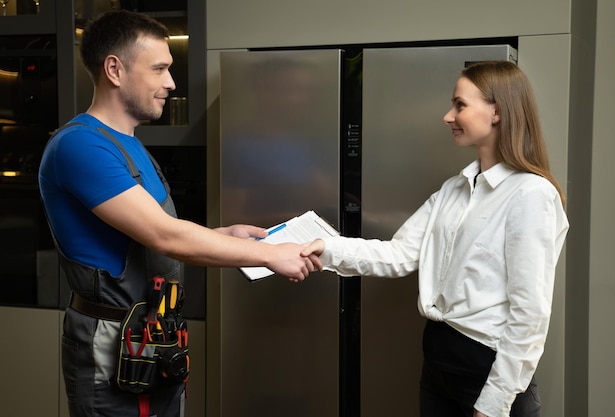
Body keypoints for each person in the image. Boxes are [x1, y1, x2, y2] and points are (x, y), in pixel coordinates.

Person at [38, 9, 317, 417]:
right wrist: (270, 254)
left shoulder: (131, 146)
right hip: (114, 342)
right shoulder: (80, 146)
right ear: (114, 69)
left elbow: (153, 233)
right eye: (160, 69)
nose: (171, 82)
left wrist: (225, 235)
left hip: (158, 336)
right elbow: (164, 236)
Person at [302, 61, 569, 417]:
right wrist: (328, 248)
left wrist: (495, 401)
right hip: (439, 359)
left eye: (460, 105)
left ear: (497, 112)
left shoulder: (531, 194)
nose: (448, 116)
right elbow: (398, 254)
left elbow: (530, 312)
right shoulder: (454, 189)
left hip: (487, 367)